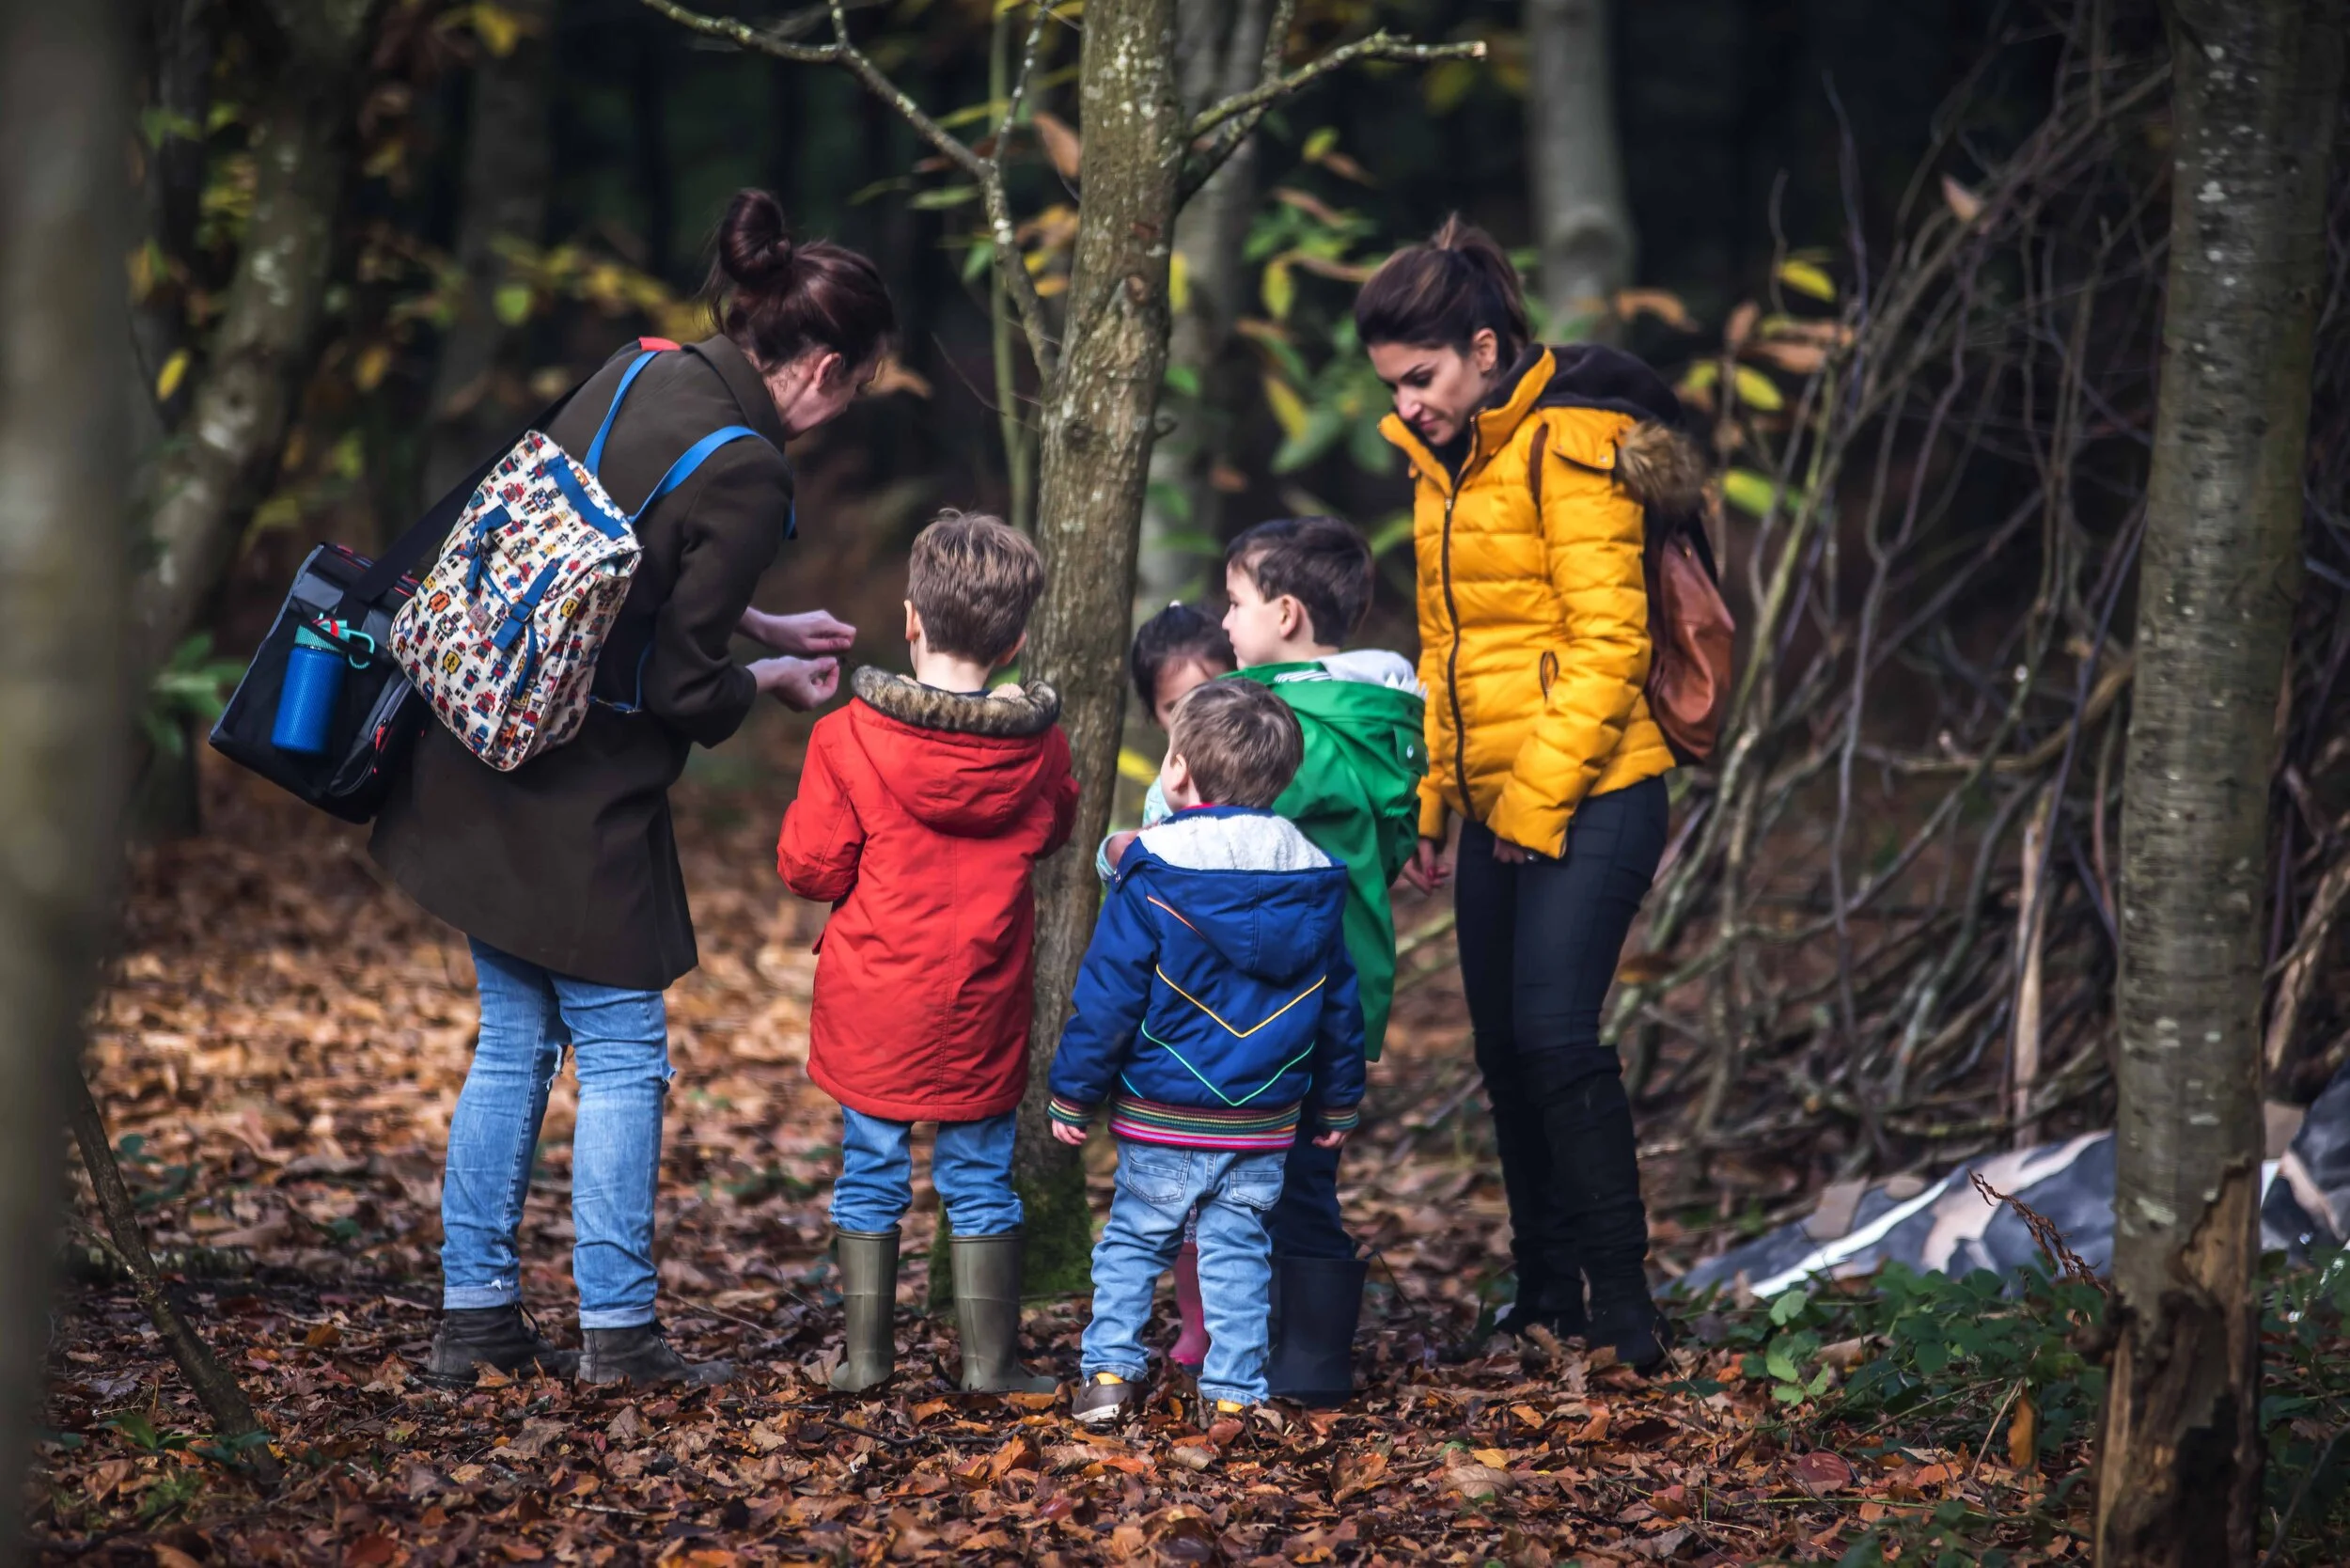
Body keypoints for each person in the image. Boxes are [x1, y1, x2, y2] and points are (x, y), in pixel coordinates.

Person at [375, 189, 893, 1388]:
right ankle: (618, 1332)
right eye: (857, 384)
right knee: (619, 1050)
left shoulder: (641, 369)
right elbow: (675, 685)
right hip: (581, 791)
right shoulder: (752, 471)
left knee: (510, 1043)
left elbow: (601, 549)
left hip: (480, 735)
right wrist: (761, 674)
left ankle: (477, 1319)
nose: (846, 407)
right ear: (818, 366)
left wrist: (753, 613)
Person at [1356, 215, 1705, 1372]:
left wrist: (1530, 808)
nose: (1408, 403)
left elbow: (1608, 647)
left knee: (1557, 1037)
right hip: (1502, 802)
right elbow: (1453, 651)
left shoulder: (1575, 444)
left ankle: (1625, 1313)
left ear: (1486, 349)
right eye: (1394, 386)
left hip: (1599, 790)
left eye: (1423, 378)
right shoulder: (1441, 468)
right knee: (1506, 1053)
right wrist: (1434, 807)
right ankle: (1546, 1295)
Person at [776, 511, 1076, 1395]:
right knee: (981, 1177)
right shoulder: (1040, 745)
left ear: (911, 619)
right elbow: (1055, 827)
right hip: (982, 1002)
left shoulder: (845, 738)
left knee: (869, 1173)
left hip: (873, 1001)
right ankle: (990, 1365)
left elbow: (810, 866)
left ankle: (866, 1361)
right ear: (1016, 640)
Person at [1050, 682, 1366, 1424]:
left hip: (1163, 1105)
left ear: (1179, 773)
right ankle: (1233, 1392)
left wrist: (1074, 1091)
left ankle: (1108, 1377)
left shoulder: (1153, 871)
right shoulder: (1310, 876)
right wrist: (1337, 1100)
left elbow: (1109, 996)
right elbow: (1339, 1007)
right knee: (1237, 1251)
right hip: (1262, 1116)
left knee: (1132, 1240)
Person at [1211, 516, 1424, 1402]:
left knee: (1282, 1179)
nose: (1224, 626)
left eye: (1235, 603)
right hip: (1343, 991)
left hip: (1275, 990)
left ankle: (1305, 1363)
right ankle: (1290, 1354)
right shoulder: (1380, 723)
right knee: (1304, 1170)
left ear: (1287, 613)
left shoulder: (1282, 727)